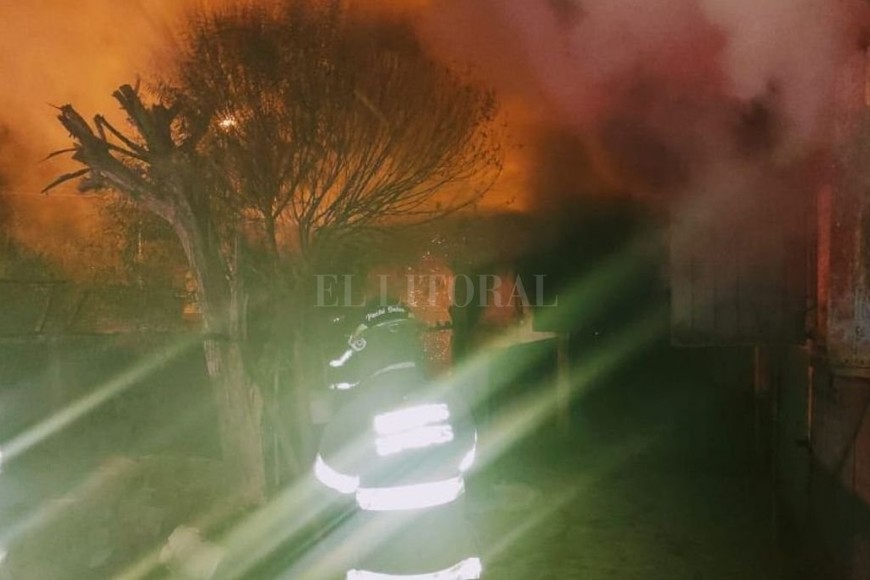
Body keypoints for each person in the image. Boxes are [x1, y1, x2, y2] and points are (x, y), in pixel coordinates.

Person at [313, 299, 482, 580]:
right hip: (454, 567)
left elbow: (329, 496)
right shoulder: (454, 403)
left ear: (365, 349)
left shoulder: (350, 419)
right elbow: (467, 462)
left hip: (383, 570)